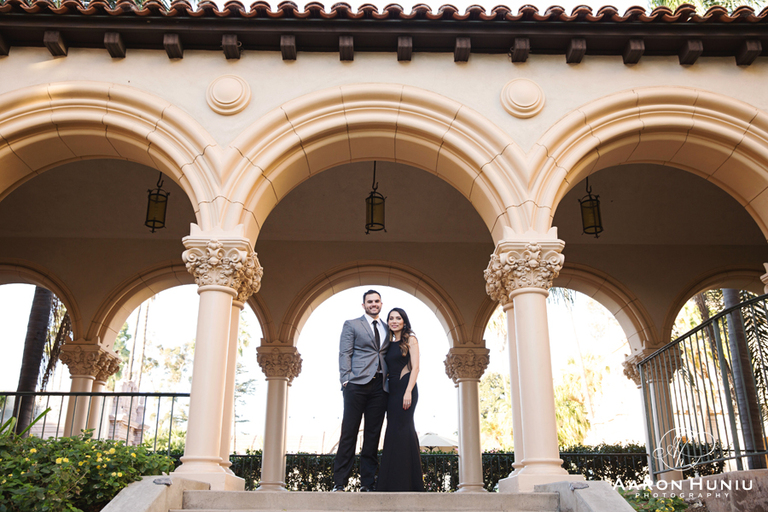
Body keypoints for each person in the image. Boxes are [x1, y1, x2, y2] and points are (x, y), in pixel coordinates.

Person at [332, 289, 389, 492]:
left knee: (373, 436)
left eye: (377, 301)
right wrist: (346, 380)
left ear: (381, 304)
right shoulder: (352, 324)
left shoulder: (387, 327)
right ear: (363, 304)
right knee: (349, 433)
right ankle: (339, 482)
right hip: (356, 385)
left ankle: (367, 483)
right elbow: (344, 353)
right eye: (370, 301)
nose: (373, 304)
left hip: (380, 387)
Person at [376, 307, 425, 492]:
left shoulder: (410, 339)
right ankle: (391, 483)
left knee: (405, 430)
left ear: (404, 321)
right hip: (391, 391)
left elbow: (416, 368)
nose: (394, 321)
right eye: (391, 318)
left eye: (398, 318)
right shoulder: (387, 342)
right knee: (392, 432)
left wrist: (408, 391)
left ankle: (410, 483)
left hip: (406, 388)